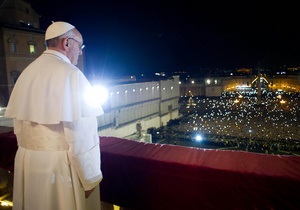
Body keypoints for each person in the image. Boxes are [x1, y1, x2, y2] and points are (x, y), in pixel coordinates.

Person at [4, 21, 104, 210]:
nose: (81, 52)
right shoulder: (72, 74)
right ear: (67, 43)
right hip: (60, 167)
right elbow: (82, 135)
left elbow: (18, 128)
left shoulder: (27, 72)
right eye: (80, 46)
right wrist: (89, 177)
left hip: (28, 162)